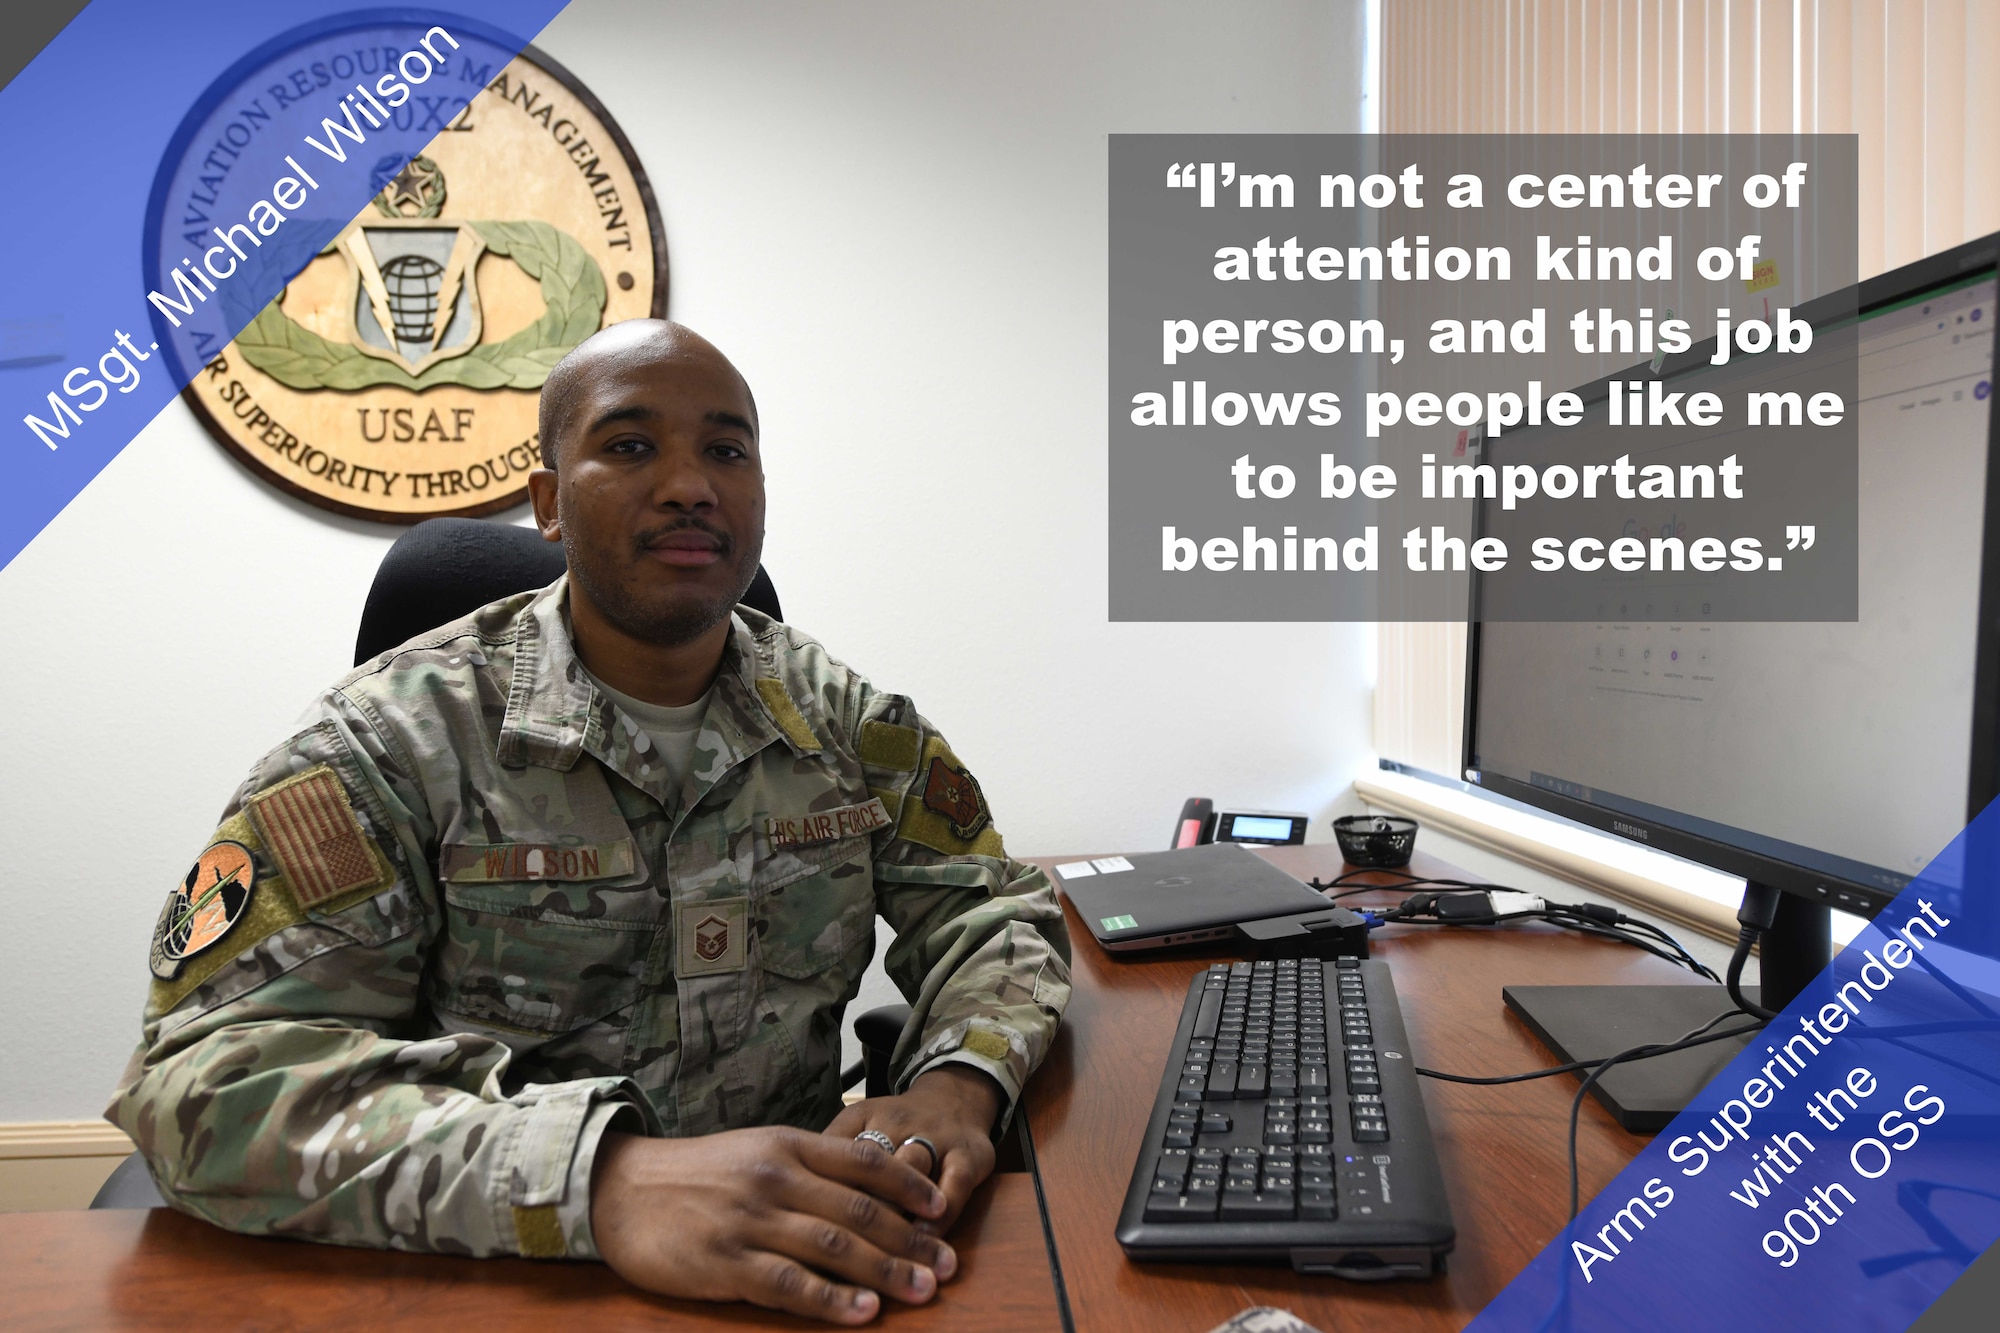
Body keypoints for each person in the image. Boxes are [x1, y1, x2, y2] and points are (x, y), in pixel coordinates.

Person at [108, 319, 1072, 1325]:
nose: (690, 484)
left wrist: (958, 1081)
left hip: (797, 1255)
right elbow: (206, 1086)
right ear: (547, 503)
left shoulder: (842, 720)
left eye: (725, 450)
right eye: (629, 444)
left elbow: (992, 914)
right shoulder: (386, 745)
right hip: (505, 1272)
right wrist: (597, 1179)